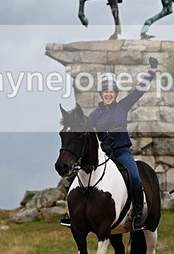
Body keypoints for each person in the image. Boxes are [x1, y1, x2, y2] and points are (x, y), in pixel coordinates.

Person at [60, 57, 159, 231]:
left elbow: (139, 91)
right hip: (103, 155)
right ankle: (71, 214)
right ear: (101, 93)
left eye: (111, 91)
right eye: (105, 91)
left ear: (115, 93)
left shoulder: (122, 106)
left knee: (135, 177)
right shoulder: (93, 116)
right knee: (76, 178)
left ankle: (137, 215)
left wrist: (151, 71)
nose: (108, 94)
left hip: (121, 153)